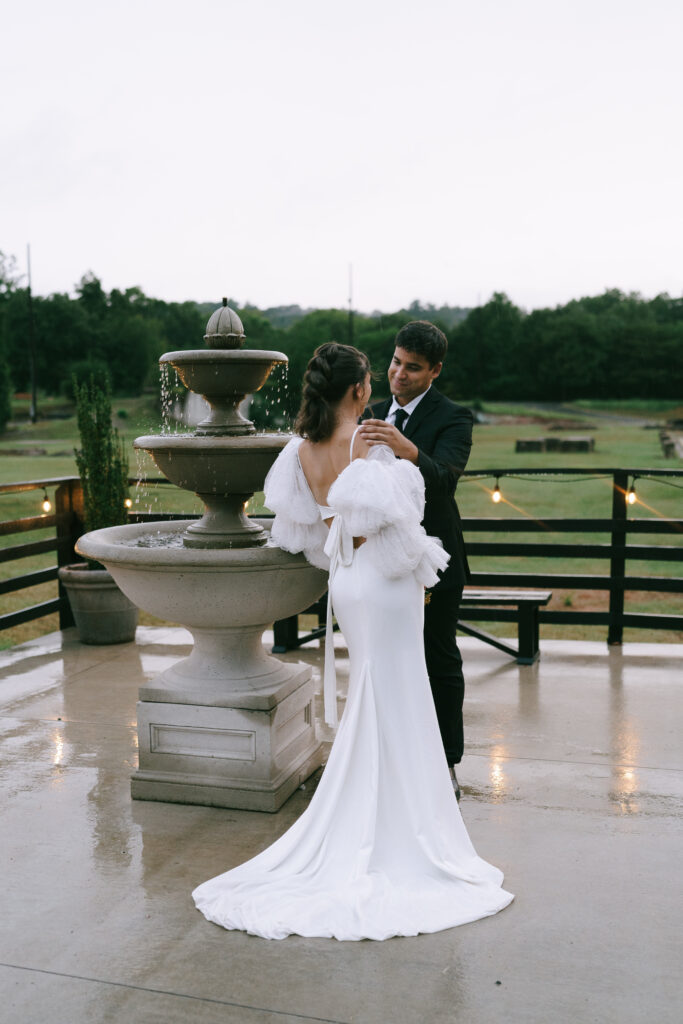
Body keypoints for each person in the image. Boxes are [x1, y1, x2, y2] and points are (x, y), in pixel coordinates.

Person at [192, 342, 512, 941]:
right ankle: (402, 819)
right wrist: (391, 472)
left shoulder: (301, 449)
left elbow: (303, 528)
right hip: (384, 582)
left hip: (344, 582)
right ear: (360, 390)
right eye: (374, 376)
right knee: (398, 688)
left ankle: (370, 803)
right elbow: (401, 514)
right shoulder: (367, 445)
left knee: (376, 687)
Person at [359, 321, 472, 800]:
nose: (398, 374)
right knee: (383, 658)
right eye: (395, 362)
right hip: (381, 563)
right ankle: (388, 756)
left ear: (435, 371)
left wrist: (407, 450)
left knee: (437, 658)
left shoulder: (455, 417)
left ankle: (445, 762)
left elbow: (444, 480)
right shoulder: (371, 412)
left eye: (413, 368)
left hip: (434, 562)